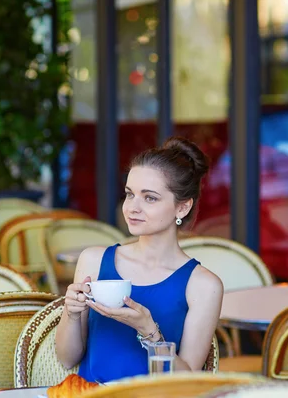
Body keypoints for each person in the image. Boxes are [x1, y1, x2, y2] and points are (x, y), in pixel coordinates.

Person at [55, 136, 224, 383]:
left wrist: (149, 331)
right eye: (129, 194)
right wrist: (71, 313)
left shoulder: (203, 285)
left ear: (182, 208)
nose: (132, 207)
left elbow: (187, 384)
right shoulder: (94, 260)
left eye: (150, 198)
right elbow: (67, 359)